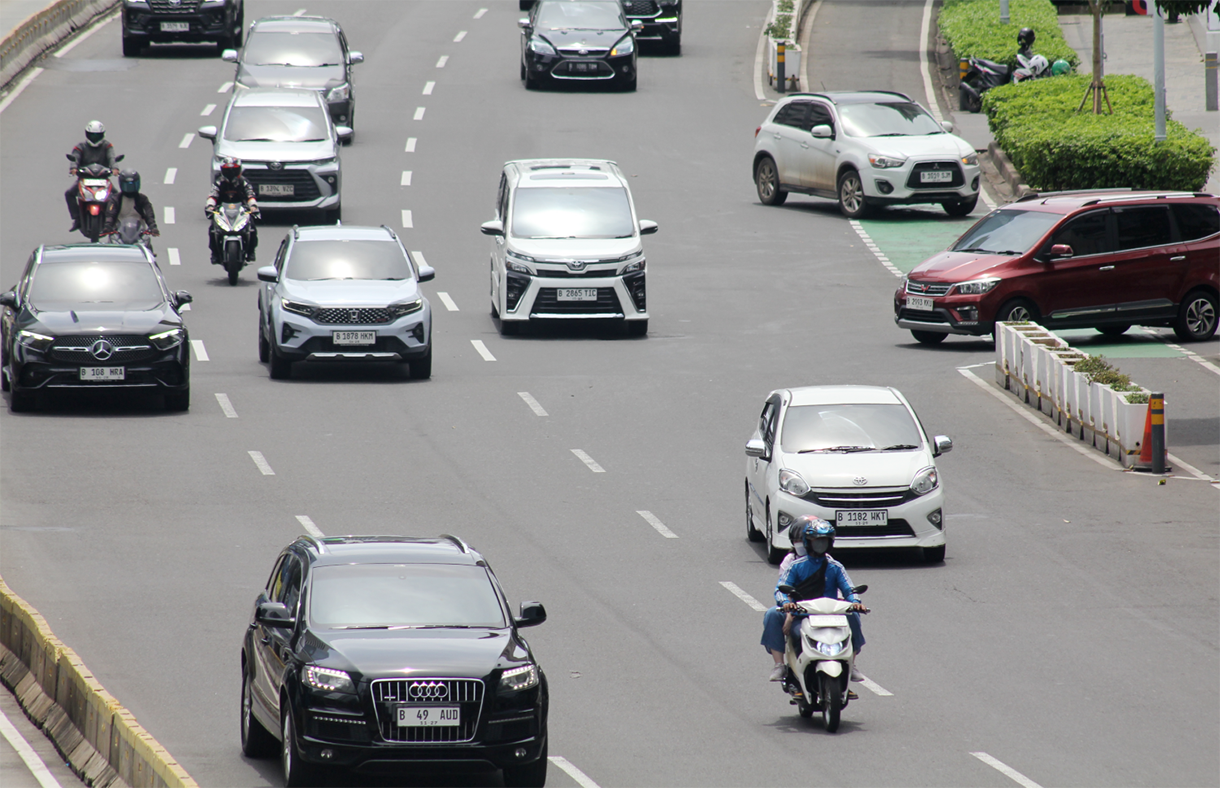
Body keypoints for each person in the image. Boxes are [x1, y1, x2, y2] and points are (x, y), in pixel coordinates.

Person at [761, 517, 867, 688]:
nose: (820, 544)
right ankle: (780, 665)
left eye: (824, 541)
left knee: (853, 615)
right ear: (807, 542)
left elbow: (849, 589)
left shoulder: (835, 566)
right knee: (773, 614)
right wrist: (786, 605)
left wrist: (855, 602)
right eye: (816, 541)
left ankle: (851, 664)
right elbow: (781, 589)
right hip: (801, 614)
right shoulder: (795, 566)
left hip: (830, 613)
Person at [66, 120, 119, 232]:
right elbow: (75, 158)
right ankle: (77, 218)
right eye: (92, 135)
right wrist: (74, 168)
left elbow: (111, 158)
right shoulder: (80, 147)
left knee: (118, 196)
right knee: (69, 193)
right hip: (85, 179)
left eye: (97, 135)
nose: (94, 138)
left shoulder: (107, 146)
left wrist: (114, 168)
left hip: (103, 179)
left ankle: (115, 220)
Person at [205, 156, 259, 263]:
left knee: (252, 227)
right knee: (212, 229)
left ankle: (251, 252)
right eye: (228, 170)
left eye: (233, 170)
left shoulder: (243, 182)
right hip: (222, 211)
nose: (231, 173)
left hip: (241, 210)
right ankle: (215, 253)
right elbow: (213, 195)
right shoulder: (219, 182)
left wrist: (253, 206)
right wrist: (210, 206)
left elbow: (250, 195)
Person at [103, 170, 159, 247]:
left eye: (132, 185)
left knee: (148, 244)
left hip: (139, 235)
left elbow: (149, 214)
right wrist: (108, 226)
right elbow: (110, 214)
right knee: (110, 247)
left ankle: (149, 255)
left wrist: (153, 227)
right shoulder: (116, 199)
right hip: (119, 234)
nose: (130, 188)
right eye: (127, 185)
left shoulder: (142, 199)